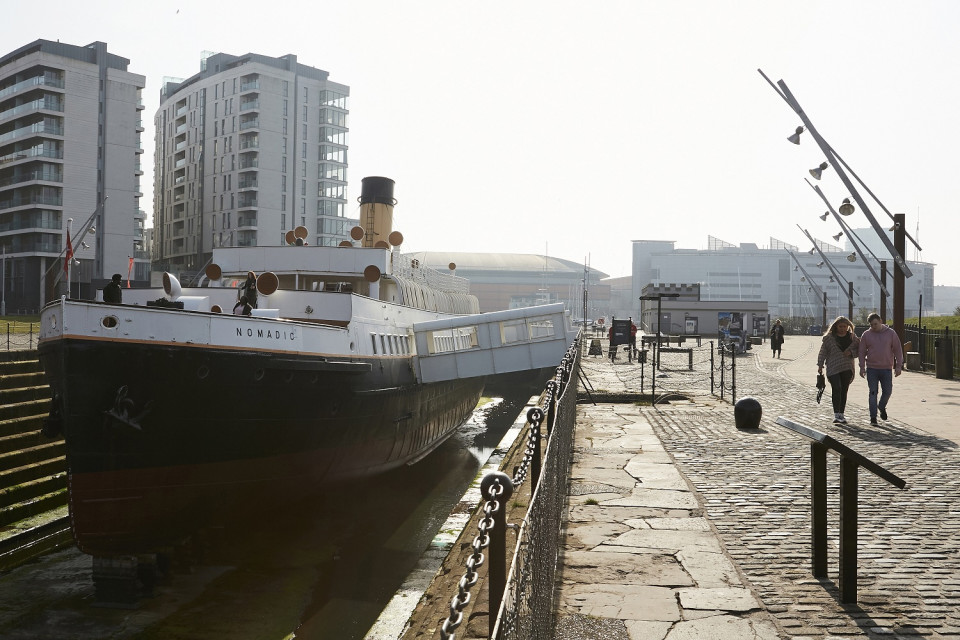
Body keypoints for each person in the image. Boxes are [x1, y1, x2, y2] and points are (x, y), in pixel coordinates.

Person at [858, 312, 902, 426]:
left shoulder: (891, 334)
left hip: (886, 368)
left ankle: (881, 406)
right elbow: (862, 352)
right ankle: (873, 417)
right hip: (872, 368)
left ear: (881, 321)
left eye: (876, 324)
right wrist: (862, 367)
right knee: (873, 392)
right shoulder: (866, 335)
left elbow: (897, 349)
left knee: (887, 391)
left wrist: (898, 366)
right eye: (872, 325)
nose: (874, 327)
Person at [817, 316, 860, 425]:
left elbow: (859, 351)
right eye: (840, 326)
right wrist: (820, 365)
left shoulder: (853, 338)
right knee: (837, 388)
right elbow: (823, 352)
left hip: (847, 367)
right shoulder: (829, 338)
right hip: (833, 367)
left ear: (848, 327)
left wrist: (851, 353)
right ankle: (836, 414)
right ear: (836, 326)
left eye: (844, 326)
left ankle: (842, 413)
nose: (842, 328)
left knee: (844, 390)